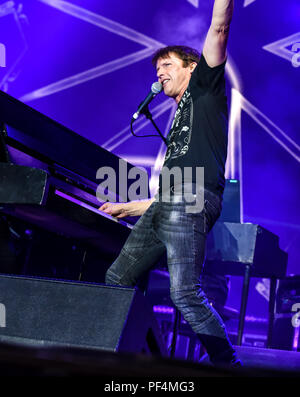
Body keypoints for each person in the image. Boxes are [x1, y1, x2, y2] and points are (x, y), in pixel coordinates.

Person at [99, 0, 241, 367]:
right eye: (157, 67)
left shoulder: (205, 88)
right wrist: (125, 207)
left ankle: (228, 365)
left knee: (185, 294)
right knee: (117, 277)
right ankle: (130, 357)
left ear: (192, 68)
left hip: (192, 197)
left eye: (167, 65)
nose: (159, 72)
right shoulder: (180, 118)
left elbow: (219, 27)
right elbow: (168, 196)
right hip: (175, 200)